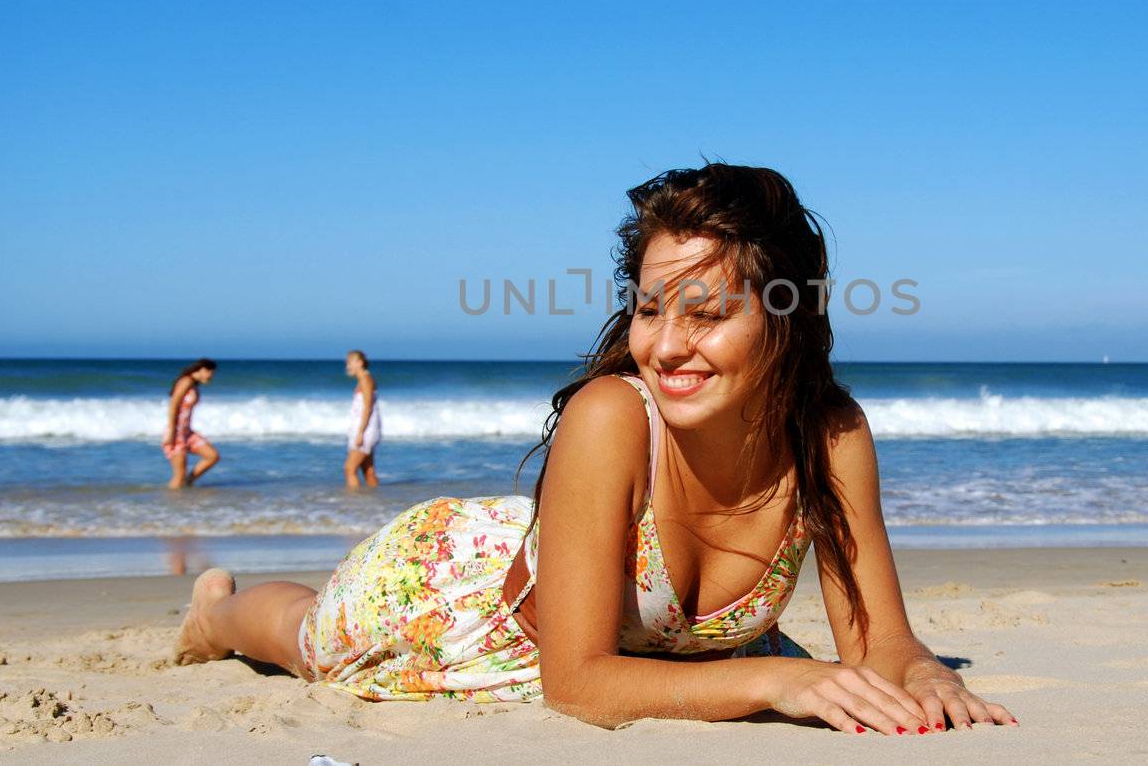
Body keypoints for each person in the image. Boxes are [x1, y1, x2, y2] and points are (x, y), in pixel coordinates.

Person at [173, 164, 1016, 735]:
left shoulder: (831, 437)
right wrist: (773, 678)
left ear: (785, 317)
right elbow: (574, 682)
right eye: (651, 309)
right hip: (457, 597)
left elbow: (881, 640)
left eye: (708, 312)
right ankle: (216, 610)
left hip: (638, 637)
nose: (668, 343)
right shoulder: (614, 413)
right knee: (305, 639)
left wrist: (924, 672)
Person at [162, 359, 220, 489]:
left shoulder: (193, 385)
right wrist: (172, 429)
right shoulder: (186, 381)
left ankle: (188, 484)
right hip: (176, 431)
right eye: (211, 373)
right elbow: (173, 404)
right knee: (179, 475)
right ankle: (172, 504)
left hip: (187, 432)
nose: (211, 377)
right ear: (203, 370)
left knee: (212, 456)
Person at [343, 349, 382, 488]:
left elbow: (367, 408)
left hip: (366, 430)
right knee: (368, 470)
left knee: (349, 469)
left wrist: (360, 433)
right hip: (367, 429)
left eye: (350, 363)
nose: (347, 367)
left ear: (360, 363)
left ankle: (354, 504)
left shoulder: (365, 379)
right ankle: (373, 503)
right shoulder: (364, 379)